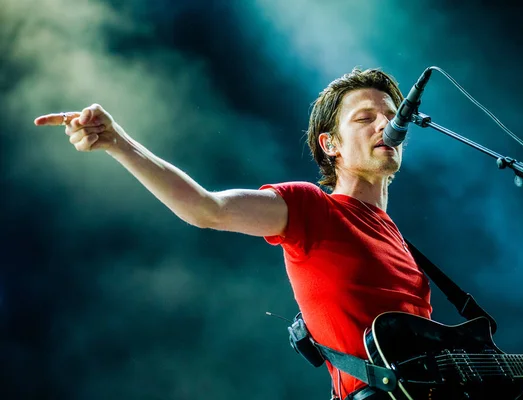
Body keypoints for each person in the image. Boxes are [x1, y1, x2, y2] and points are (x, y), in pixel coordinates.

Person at [34, 68, 432, 400]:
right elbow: (206, 208)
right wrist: (118, 142)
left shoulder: (399, 241)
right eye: (365, 118)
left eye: (391, 115)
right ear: (331, 145)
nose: (385, 124)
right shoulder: (313, 208)